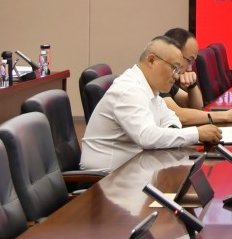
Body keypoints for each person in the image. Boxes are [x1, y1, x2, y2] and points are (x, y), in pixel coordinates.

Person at [80, 36, 223, 172]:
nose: (177, 76)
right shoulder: (129, 90)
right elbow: (147, 137)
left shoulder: (149, 87)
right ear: (151, 60)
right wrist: (196, 134)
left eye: (179, 70)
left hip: (132, 168)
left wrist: (172, 132)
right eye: (174, 68)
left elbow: (170, 117)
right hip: (105, 179)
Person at [161, 28, 232, 127]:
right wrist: (226, 116)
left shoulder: (169, 80)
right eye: (189, 60)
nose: (190, 68)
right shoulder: (157, 80)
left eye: (193, 62)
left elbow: (196, 107)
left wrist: (192, 85)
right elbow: (178, 115)